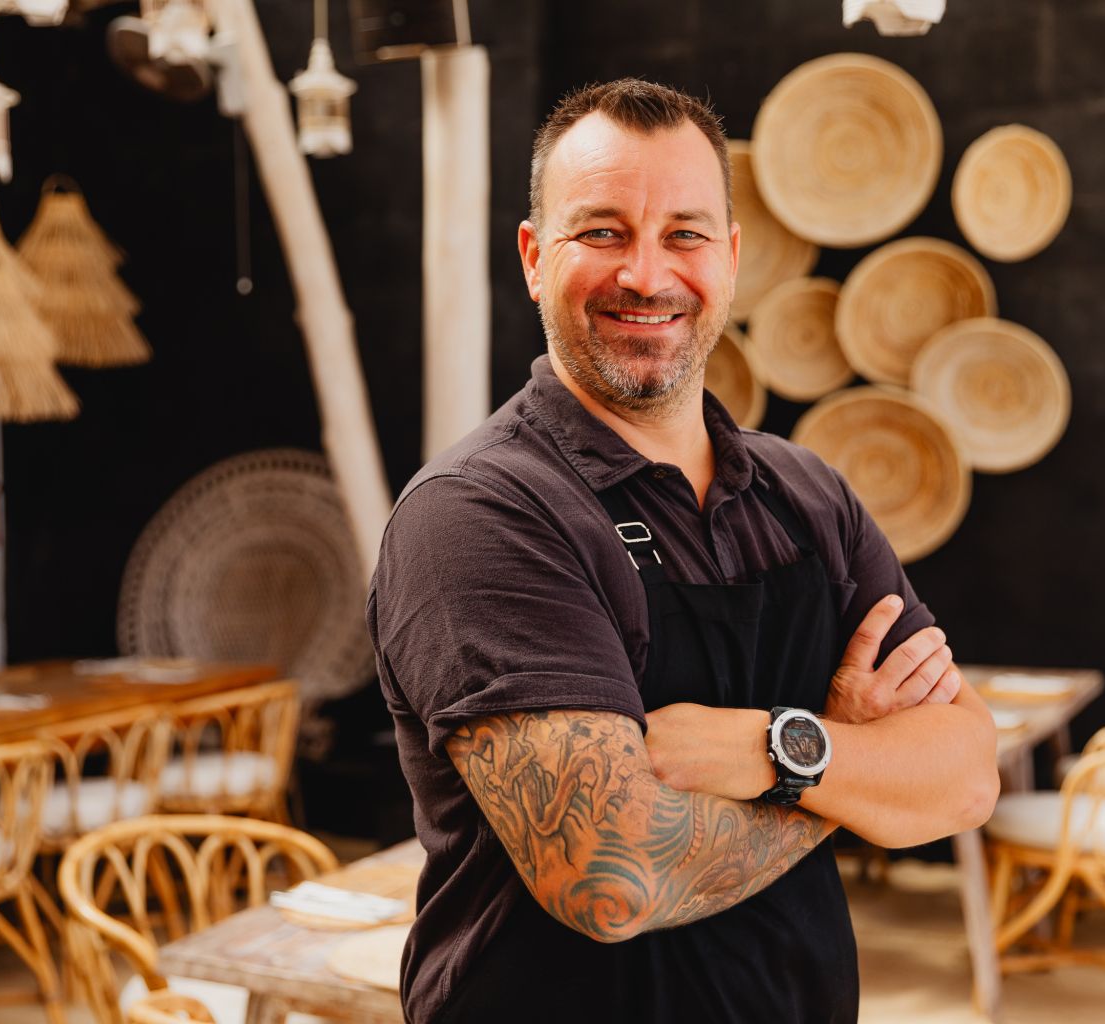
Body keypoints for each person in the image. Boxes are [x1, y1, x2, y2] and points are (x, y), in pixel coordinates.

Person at [366, 79, 999, 1024]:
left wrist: (772, 749)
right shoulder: (478, 514)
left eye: (685, 234)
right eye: (603, 232)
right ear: (534, 258)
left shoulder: (807, 494)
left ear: (731, 259)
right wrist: (845, 762)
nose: (646, 274)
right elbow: (610, 876)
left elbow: (967, 773)